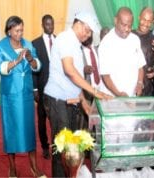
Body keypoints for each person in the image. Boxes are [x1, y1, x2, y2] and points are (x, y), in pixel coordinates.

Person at [43, 11, 112, 177]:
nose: (88, 35)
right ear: (79, 24)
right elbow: (70, 71)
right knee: (62, 148)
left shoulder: (75, 44)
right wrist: (95, 92)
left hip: (71, 101)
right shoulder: (66, 39)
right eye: (87, 31)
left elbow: (76, 79)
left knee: (72, 147)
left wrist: (83, 102)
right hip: (58, 100)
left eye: (90, 33)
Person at [0, 16, 46, 178]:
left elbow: (38, 66)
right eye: (17, 30)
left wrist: (31, 60)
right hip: (10, 96)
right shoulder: (0, 46)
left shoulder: (28, 44)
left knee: (29, 130)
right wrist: (16, 61)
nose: (20, 33)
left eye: (22, 30)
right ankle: (12, 168)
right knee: (11, 131)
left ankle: (34, 167)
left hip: (26, 95)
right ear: (9, 30)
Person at [98, 7, 146, 97]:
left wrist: (139, 83)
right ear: (115, 21)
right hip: (112, 97)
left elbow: (140, 67)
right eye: (124, 25)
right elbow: (105, 76)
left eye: (130, 26)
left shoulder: (135, 39)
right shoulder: (106, 43)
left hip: (131, 97)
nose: (127, 29)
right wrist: (118, 94)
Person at [31, 14, 55, 160]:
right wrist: (34, 89)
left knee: (57, 119)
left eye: (52, 24)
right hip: (42, 88)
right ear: (42, 24)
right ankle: (45, 147)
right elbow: (33, 69)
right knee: (42, 120)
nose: (50, 27)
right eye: (47, 24)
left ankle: (56, 145)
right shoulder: (35, 43)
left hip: (57, 90)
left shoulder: (59, 41)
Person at [133, 7, 154, 96]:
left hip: (146, 88)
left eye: (149, 21)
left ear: (152, 22)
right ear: (139, 18)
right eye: (144, 19)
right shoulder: (130, 36)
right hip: (129, 85)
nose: (146, 23)